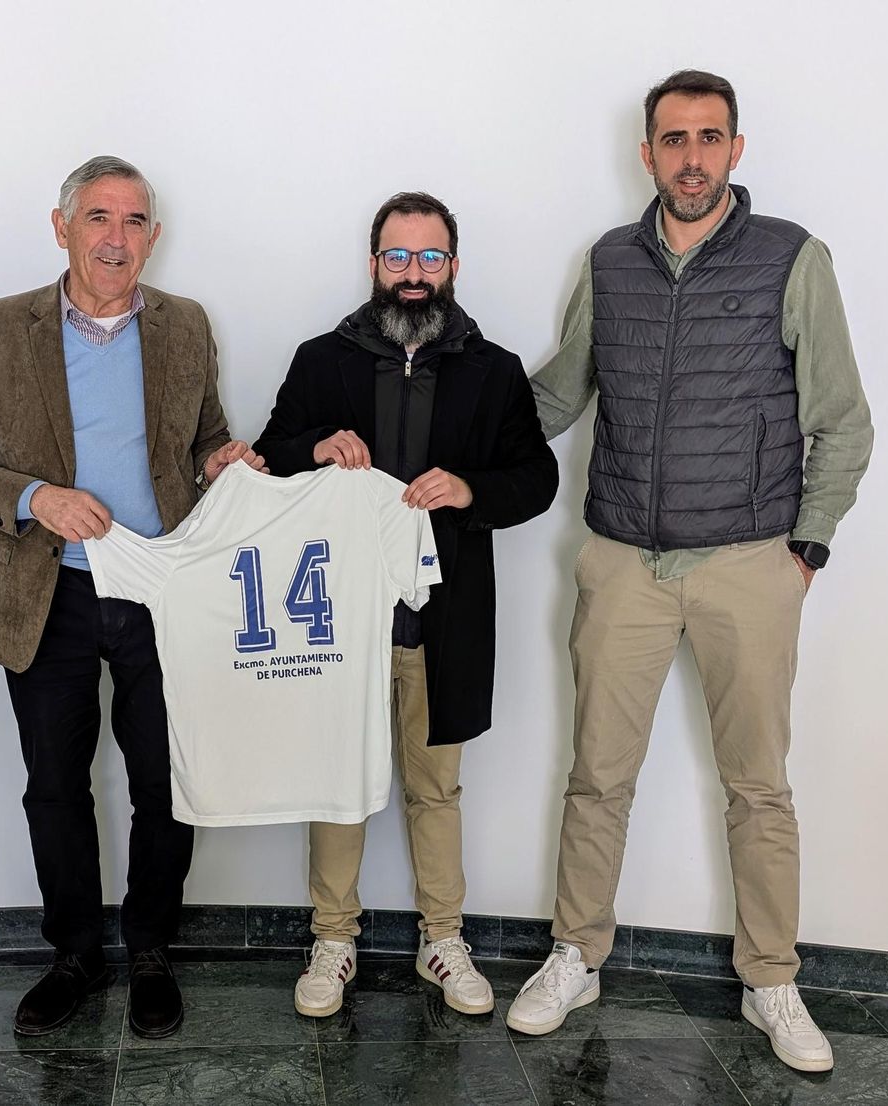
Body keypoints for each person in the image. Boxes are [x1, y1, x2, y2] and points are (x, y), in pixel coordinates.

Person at [507, 71, 874, 1074]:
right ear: (647, 154)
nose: (692, 156)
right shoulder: (610, 262)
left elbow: (841, 417)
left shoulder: (790, 258)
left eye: (709, 137)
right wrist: (449, 417)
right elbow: (556, 394)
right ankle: (574, 954)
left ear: (734, 150)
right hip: (623, 559)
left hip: (749, 562)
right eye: (673, 139)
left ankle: (771, 978)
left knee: (758, 786)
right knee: (596, 777)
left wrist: (805, 549)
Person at [0, 155, 262, 1040]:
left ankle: (150, 951)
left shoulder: (186, 326)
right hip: (52, 593)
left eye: (135, 221)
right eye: (100, 219)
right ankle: (73, 954)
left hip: (165, 594)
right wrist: (40, 498)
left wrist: (221, 462)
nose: (118, 239)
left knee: (165, 785)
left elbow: (205, 440)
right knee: (54, 788)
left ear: (153, 236)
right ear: (62, 225)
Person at [253, 191, 558, 1018]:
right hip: (339, 623)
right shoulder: (323, 360)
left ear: (453, 266)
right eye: (399, 257)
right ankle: (333, 939)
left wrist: (468, 488)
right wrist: (313, 449)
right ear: (374, 264)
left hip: (443, 624)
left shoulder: (493, 370)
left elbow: (538, 479)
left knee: (437, 791)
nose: (414, 274)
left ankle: (442, 940)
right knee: (337, 787)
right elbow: (268, 456)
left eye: (430, 258)